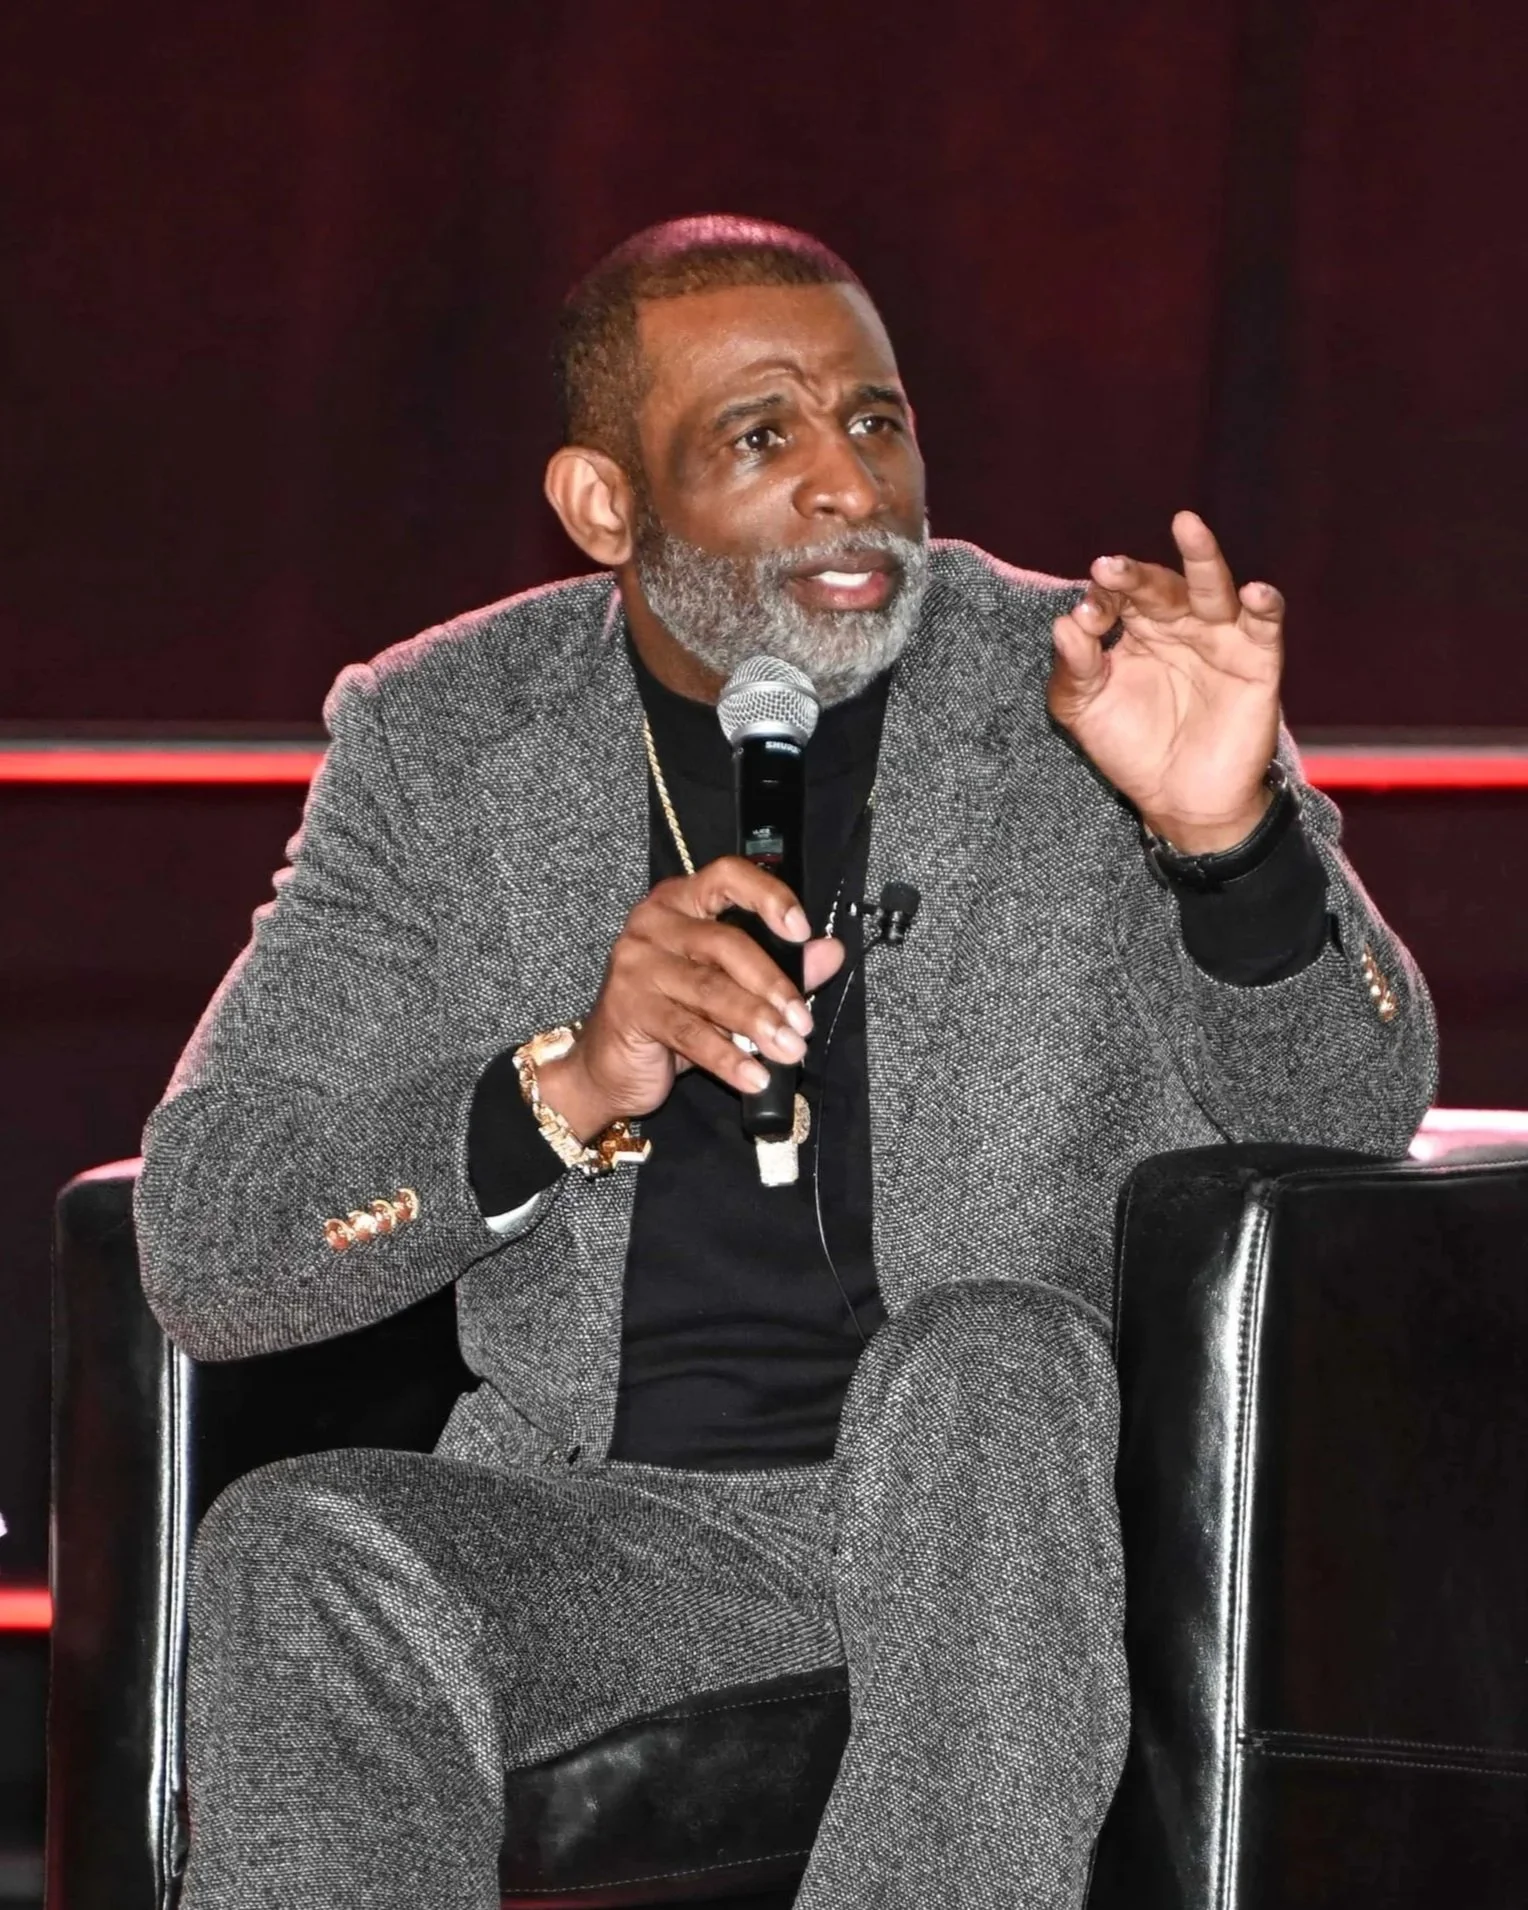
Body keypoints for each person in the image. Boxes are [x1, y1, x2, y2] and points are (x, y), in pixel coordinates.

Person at [136, 215, 1436, 1910]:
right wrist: (565, 1084)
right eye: (762, 436)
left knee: (982, 1362)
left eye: (877, 422)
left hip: (1013, 1511)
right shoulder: (446, 737)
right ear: (606, 503)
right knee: (302, 1550)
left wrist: (1230, 844)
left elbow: (1352, 1114)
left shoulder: (1092, 686)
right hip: (635, 1535)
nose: (849, 485)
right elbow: (207, 1237)